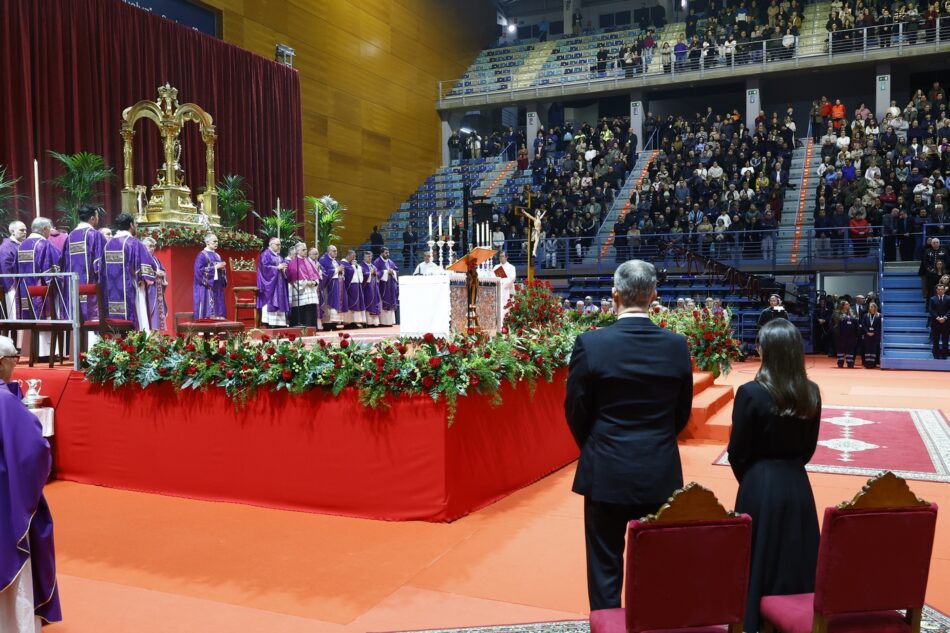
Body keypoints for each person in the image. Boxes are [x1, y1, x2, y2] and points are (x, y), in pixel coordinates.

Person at [565, 260, 693, 610]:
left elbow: (575, 409)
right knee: (655, 567)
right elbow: (681, 412)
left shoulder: (591, 344)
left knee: (604, 566)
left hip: (606, 469)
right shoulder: (676, 345)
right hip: (659, 469)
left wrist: (595, 445)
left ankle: (606, 624)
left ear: (614, 295)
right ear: (653, 295)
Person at [727, 319, 821, 633]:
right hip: (797, 482)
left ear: (768, 350)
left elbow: (737, 451)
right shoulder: (811, 392)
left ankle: (754, 619)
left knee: (759, 557)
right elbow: (808, 448)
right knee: (797, 554)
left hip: (759, 483)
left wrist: (753, 478)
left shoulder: (751, 393)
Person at [0, 336, 61, 633]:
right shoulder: (5, 401)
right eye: (14, 357)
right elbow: (33, 452)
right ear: (1, 362)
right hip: (6, 495)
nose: (16, 363)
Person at [17, 218, 63, 358]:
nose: (50, 231)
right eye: (49, 228)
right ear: (44, 229)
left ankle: (35, 352)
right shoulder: (44, 244)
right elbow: (52, 269)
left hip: (25, 290)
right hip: (41, 291)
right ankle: (47, 353)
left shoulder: (22, 245)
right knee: (45, 316)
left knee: (33, 318)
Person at [103, 213, 155, 332]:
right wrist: (143, 277)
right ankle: (136, 340)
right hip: (131, 289)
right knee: (138, 319)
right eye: (135, 224)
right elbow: (147, 267)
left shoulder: (108, 244)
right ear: (131, 225)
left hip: (111, 294)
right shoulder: (133, 243)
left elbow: (102, 270)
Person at [62, 205, 107, 326]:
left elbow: (64, 263)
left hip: (73, 287)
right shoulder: (95, 235)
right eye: (97, 216)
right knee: (92, 319)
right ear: (92, 218)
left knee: (77, 319)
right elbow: (100, 263)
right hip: (91, 286)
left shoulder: (70, 236)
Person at [193, 233, 228, 320]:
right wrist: (215, 267)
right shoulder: (202, 255)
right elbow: (199, 271)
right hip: (206, 287)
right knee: (208, 312)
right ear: (207, 242)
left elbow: (220, 270)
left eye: (217, 241)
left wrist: (222, 268)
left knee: (219, 310)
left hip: (217, 286)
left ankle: (219, 321)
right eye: (214, 241)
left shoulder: (217, 256)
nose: (216, 243)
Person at [256, 237, 290, 328]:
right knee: (271, 300)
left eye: (280, 245)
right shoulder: (265, 254)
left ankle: (280, 323)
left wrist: (284, 268)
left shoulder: (279, 256)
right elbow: (264, 268)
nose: (279, 246)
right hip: (269, 284)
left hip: (279, 283)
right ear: (271, 245)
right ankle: (269, 322)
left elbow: (282, 266)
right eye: (277, 245)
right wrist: (276, 268)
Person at [286, 242, 321, 328]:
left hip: (310, 290)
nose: (306, 251)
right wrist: (308, 283)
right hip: (301, 293)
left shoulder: (309, 261)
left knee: (311, 310)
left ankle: (312, 328)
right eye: (303, 250)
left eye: (306, 249)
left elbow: (315, 275)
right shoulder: (293, 263)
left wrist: (314, 282)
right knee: (302, 311)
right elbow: (294, 279)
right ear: (297, 251)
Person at [0, 221, 27, 323]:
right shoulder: (6, 247)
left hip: (22, 284)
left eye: (25, 230)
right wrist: (11, 286)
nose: (25, 232)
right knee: (14, 315)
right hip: (12, 286)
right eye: (21, 230)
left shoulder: (21, 244)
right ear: (12, 231)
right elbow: (4, 267)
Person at [140, 237, 168, 332]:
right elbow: (142, 272)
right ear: (144, 247)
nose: (152, 248)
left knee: (157, 314)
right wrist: (156, 273)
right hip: (148, 290)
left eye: (154, 246)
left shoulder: (155, 259)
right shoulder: (142, 258)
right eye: (150, 246)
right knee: (149, 313)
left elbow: (163, 270)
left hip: (157, 290)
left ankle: (156, 334)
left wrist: (162, 274)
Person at [319, 245, 346, 327]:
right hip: (329, 285)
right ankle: (327, 323)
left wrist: (341, 271)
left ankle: (334, 322)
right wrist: (337, 270)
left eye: (336, 251)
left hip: (337, 283)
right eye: (334, 251)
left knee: (336, 302)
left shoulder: (335, 260)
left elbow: (339, 270)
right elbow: (325, 273)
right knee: (328, 302)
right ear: (329, 251)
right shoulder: (323, 260)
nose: (336, 252)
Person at [373, 247, 398, 326]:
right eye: (386, 253)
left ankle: (390, 322)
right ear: (381, 253)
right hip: (382, 286)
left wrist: (393, 271)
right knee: (383, 301)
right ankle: (383, 322)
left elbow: (396, 270)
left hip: (390, 286)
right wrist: (386, 272)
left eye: (388, 252)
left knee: (391, 301)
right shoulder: (377, 262)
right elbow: (376, 273)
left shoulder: (390, 262)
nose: (388, 254)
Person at [341, 249, 366, 327]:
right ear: (348, 256)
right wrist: (353, 266)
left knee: (357, 303)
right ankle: (348, 322)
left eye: (355, 256)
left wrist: (356, 266)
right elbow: (349, 272)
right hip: (349, 286)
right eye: (353, 256)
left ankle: (356, 321)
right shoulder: (343, 263)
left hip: (356, 286)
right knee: (350, 303)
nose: (354, 258)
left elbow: (362, 271)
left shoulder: (351, 263)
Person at [833, 299, 859, 368]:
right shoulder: (837, 314)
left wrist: (856, 334)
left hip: (851, 336)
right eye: (847, 304)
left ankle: (850, 363)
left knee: (850, 350)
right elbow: (833, 325)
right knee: (840, 350)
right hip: (840, 336)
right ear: (843, 306)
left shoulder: (852, 314)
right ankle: (840, 362)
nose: (849, 305)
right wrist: (836, 333)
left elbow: (856, 324)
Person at [360, 251, 382, 327]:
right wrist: (370, 273)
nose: (370, 258)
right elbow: (362, 276)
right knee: (368, 302)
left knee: (375, 302)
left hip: (374, 288)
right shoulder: (361, 266)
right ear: (364, 257)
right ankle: (368, 322)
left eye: (371, 256)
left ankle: (374, 322)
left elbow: (378, 274)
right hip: (366, 288)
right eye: (368, 256)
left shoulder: (373, 266)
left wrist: (376, 273)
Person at [929, 284, 949, 360]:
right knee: (935, 340)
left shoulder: (949, 298)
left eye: (942, 289)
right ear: (936, 290)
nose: (940, 290)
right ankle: (936, 356)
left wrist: (945, 317)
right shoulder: (932, 299)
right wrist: (937, 318)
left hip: (946, 323)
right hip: (935, 323)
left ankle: (944, 356)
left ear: (944, 290)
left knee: (945, 340)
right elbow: (931, 310)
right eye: (939, 289)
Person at [860, 301, 881, 368]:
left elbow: (879, 326)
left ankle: (873, 363)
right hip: (867, 335)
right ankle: (867, 363)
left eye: (872, 306)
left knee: (873, 349)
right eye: (870, 307)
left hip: (875, 335)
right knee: (867, 349)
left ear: (875, 307)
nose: (871, 308)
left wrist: (874, 332)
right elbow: (863, 325)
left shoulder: (879, 315)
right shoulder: (866, 315)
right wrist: (867, 332)